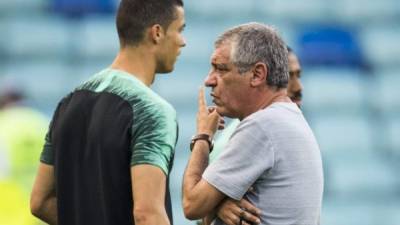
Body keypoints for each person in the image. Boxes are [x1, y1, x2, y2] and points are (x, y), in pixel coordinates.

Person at [30, 0, 186, 225]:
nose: (183, 41)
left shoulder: (67, 103)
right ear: (157, 33)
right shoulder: (152, 111)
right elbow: (147, 215)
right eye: (180, 29)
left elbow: (40, 201)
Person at [182, 23, 323, 225]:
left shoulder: (261, 127)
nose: (209, 80)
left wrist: (203, 136)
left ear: (257, 74)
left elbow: (192, 205)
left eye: (221, 69)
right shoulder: (291, 118)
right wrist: (218, 205)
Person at [208, 46, 304, 225]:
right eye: (289, 77)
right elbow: (199, 206)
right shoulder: (241, 139)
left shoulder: (294, 130)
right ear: (264, 78)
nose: (298, 87)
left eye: (299, 76)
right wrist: (216, 206)